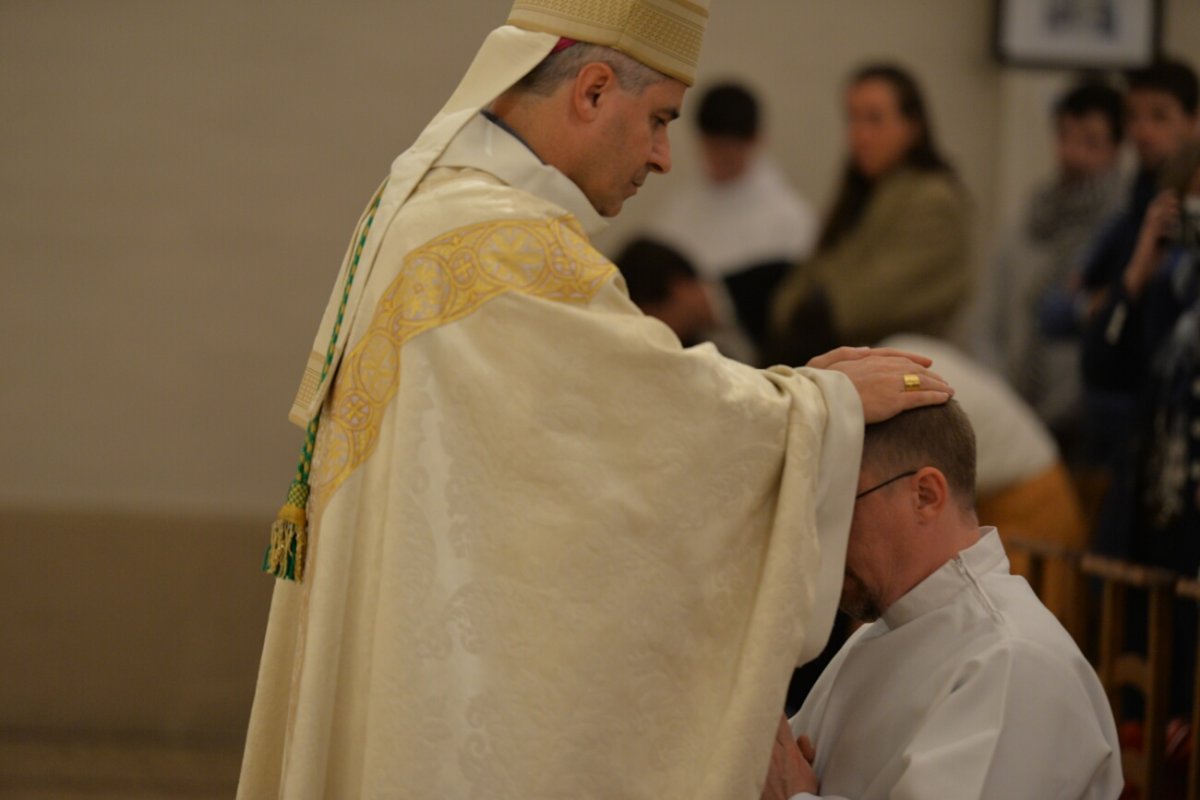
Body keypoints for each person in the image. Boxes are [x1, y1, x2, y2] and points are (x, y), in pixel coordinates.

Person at [237, 3, 952, 798]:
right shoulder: (509, 247)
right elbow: (660, 426)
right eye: (657, 120)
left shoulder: (438, 215)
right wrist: (823, 405)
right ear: (593, 90)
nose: (664, 156)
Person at [762, 401, 1122, 800]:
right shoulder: (882, 632)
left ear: (926, 495)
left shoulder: (1012, 661)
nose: (818, 542)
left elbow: (790, 789)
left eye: (836, 508)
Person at [1082, 141, 1200, 719]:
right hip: (1152, 522)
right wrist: (1136, 272)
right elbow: (1101, 369)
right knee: (1146, 701)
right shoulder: (1165, 296)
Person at [882, 333, 1089, 639]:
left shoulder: (887, 391)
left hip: (1030, 503)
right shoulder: (888, 359)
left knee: (1006, 638)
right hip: (986, 495)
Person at [768, 63, 971, 366]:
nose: (859, 134)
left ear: (912, 126)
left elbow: (865, 304)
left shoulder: (934, 199)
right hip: (852, 363)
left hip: (908, 372)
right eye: (852, 119)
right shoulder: (863, 193)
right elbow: (799, 287)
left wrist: (811, 305)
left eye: (874, 119)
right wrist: (798, 309)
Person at [975, 82, 1126, 462]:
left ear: (1117, 148)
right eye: (1065, 137)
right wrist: (999, 394)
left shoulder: (1122, 226)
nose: (1073, 153)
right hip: (1016, 407)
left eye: (1091, 141)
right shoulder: (1033, 214)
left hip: (1084, 424)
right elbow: (989, 313)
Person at [648, 82, 818, 355]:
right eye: (713, 150)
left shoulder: (789, 217)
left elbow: (792, 307)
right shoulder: (681, 205)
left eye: (730, 152)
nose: (720, 162)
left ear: (755, 141)